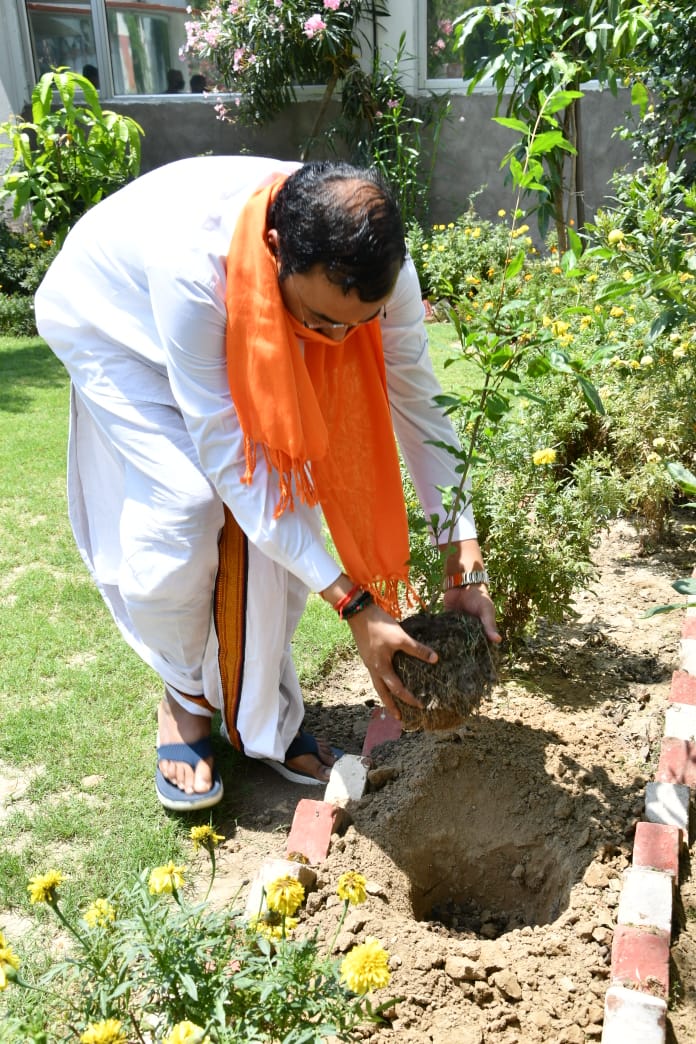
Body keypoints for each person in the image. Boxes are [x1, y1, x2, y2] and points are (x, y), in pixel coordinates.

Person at [35, 156, 500, 812]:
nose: (339, 342)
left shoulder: (381, 272)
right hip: (114, 324)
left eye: (356, 325)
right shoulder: (192, 267)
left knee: (286, 499)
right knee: (186, 506)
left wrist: (463, 555)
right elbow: (232, 464)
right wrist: (354, 605)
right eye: (322, 320)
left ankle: (269, 720)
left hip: (211, 312)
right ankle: (185, 699)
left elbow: (420, 405)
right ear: (275, 250)